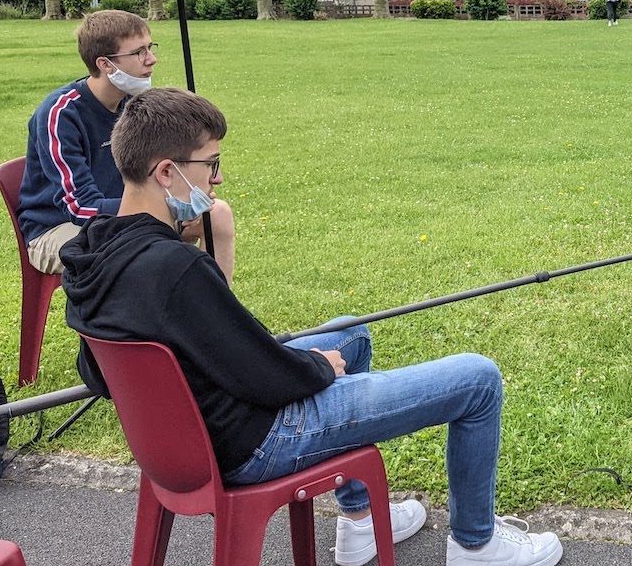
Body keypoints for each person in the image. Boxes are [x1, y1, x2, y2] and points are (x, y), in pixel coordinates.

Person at [61, 87, 563, 566]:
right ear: (167, 171)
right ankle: (478, 545)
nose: (216, 180)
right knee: (477, 379)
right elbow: (261, 373)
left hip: (182, 444)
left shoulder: (91, 254)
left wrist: (306, 361)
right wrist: (318, 367)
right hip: (253, 441)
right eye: (210, 165)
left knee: (352, 331)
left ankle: (360, 518)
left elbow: (99, 374)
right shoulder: (173, 269)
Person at [15, 10, 237, 281]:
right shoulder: (61, 114)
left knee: (218, 216)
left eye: (150, 48)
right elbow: (79, 207)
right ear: (106, 64)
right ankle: (137, 321)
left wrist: (185, 198)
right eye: (139, 52)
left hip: (129, 217)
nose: (151, 59)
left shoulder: (134, 106)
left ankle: (215, 315)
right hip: (58, 229)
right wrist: (160, 212)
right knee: (136, 249)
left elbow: (155, 175)